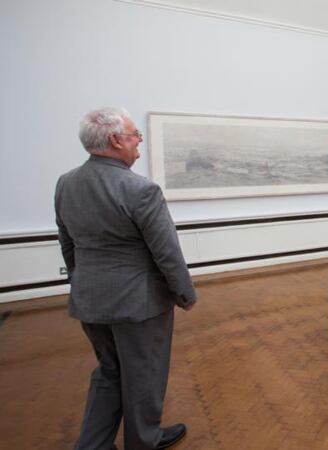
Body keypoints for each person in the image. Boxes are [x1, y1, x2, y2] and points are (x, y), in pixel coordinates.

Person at [55, 107, 197, 449]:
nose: (138, 143)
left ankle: (92, 445)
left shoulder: (66, 183)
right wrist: (185, 293)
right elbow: (166, 252)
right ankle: (144, 442)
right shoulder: (140, 190)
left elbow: (67, 243)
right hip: (139, 304)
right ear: (116, 140)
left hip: (90, 299)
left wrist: (81, 282)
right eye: (135, 136)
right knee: (144, 377)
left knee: (109, 373)